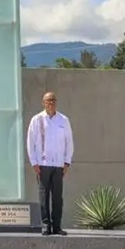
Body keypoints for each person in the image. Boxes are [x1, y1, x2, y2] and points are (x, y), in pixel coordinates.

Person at [27, 91, 74, 236]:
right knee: (44, 196)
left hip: (59, 165)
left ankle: (57, 226)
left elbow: (69, 141)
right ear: (43, 103)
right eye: (48, 100)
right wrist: (34, 162)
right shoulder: (37, 120)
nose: (51, 103)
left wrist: (67, 162)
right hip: (43, 164)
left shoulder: (63, 120)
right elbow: (30, 142)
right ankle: (46, 225)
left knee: (57, 198)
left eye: (53, 100)